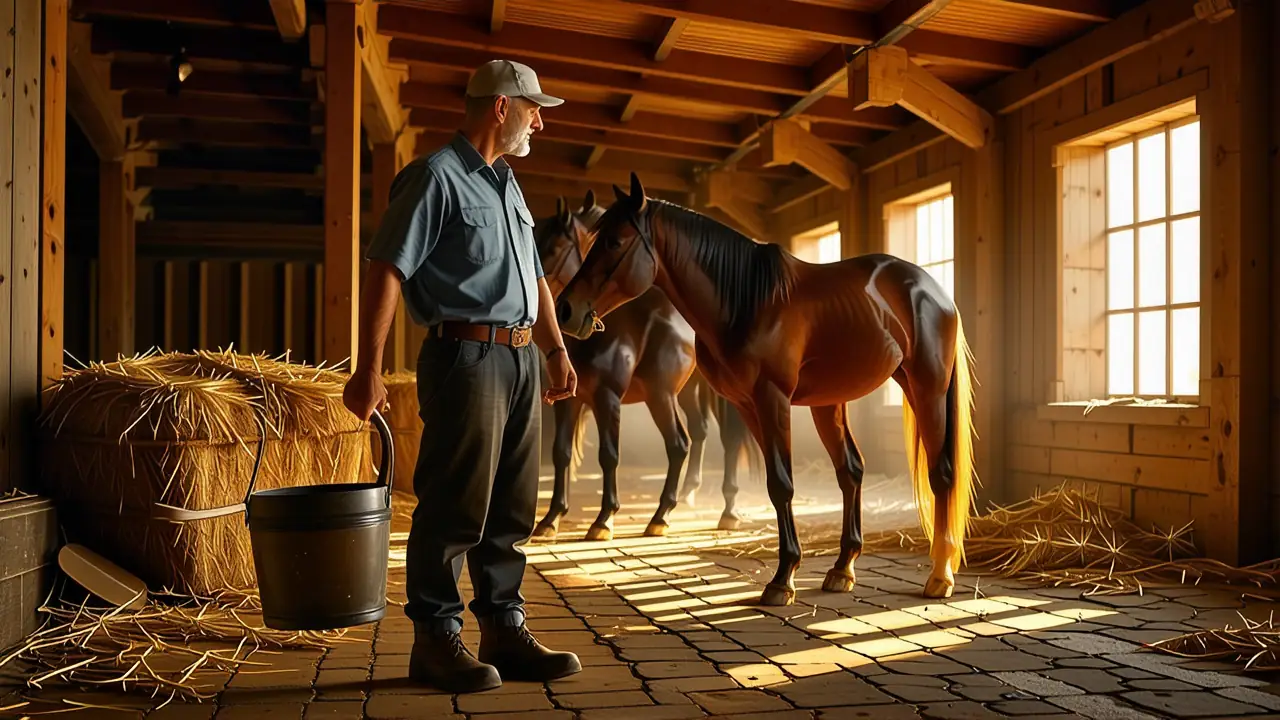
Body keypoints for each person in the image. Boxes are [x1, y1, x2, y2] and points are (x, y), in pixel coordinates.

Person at [342, 59, 580, 694]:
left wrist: (555, 350)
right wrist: (368, 370)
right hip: (466, 357)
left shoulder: (509, 184)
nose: (540, 123)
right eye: (534, 110)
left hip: (522, 358)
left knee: (512, 505)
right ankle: (436, 639)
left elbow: (534, 277)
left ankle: (504, 625)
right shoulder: (433, 179)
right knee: (456, 503)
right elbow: (387, 269)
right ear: (502, 107)